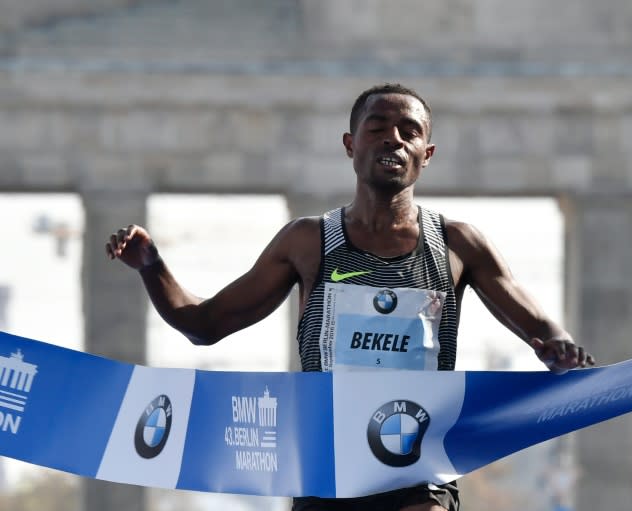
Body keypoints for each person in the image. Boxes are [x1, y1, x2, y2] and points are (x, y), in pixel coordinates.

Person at [106, 83, 595, 511]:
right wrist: (151, 266)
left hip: (416, 460)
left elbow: (544, 331)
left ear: (427, 154)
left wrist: (558, 348)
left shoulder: (457, 244)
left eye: (409, 131)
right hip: (327, 465)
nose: (393, 138)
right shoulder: (308, 242)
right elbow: (204, 324)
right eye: (377, 126)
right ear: (350, 145)